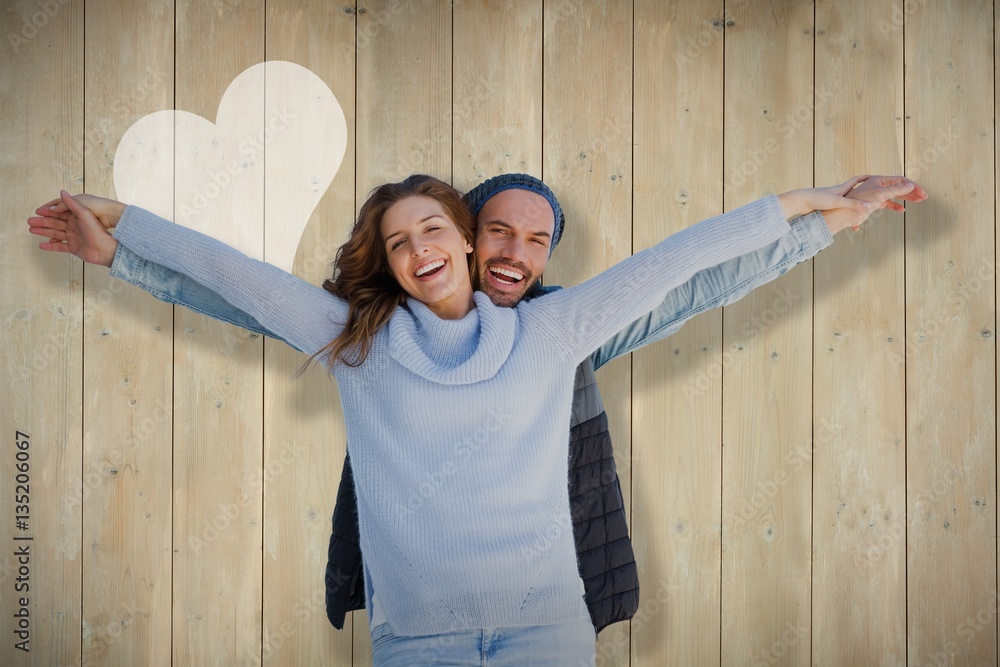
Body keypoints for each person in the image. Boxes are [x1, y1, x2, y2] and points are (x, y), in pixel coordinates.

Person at [28, 174, 923, 665]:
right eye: (400, 240)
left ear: (458, 240)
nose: (426, 248)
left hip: (545, 629)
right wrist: (123, 233)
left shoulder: (556, 327)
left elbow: (677, 271)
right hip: (420, 637)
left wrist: (810, 210)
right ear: (462, 238)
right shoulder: (357, 337)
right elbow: (243, 284)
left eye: (434, 231)